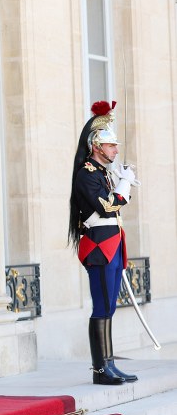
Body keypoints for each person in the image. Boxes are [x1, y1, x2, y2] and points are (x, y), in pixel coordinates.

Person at [68, 100, 138, 385]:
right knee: (102, 305)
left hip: (111, 243)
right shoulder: (86, 174)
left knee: (109, 306)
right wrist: (125, 185)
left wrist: (121, 182)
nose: (116, 150)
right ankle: (100, 370)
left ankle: (109, 363)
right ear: (97, 146)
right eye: (111, 146)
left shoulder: (102, 174)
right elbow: (108, 206)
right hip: (98, 246)